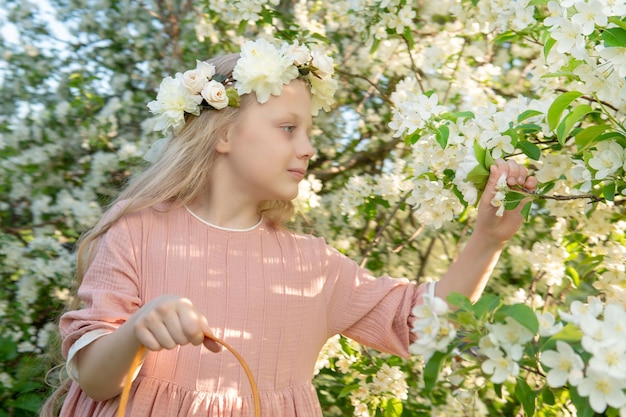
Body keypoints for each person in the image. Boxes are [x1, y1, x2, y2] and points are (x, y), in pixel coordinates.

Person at [41, 37, 537, 417]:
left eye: (309, 133)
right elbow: (96, 379)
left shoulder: (311, 265)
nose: (307, 148)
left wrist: (488, 239)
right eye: (287, 128)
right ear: (225, 135)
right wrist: (136, 331)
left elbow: (423, 323)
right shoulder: (137, 233)